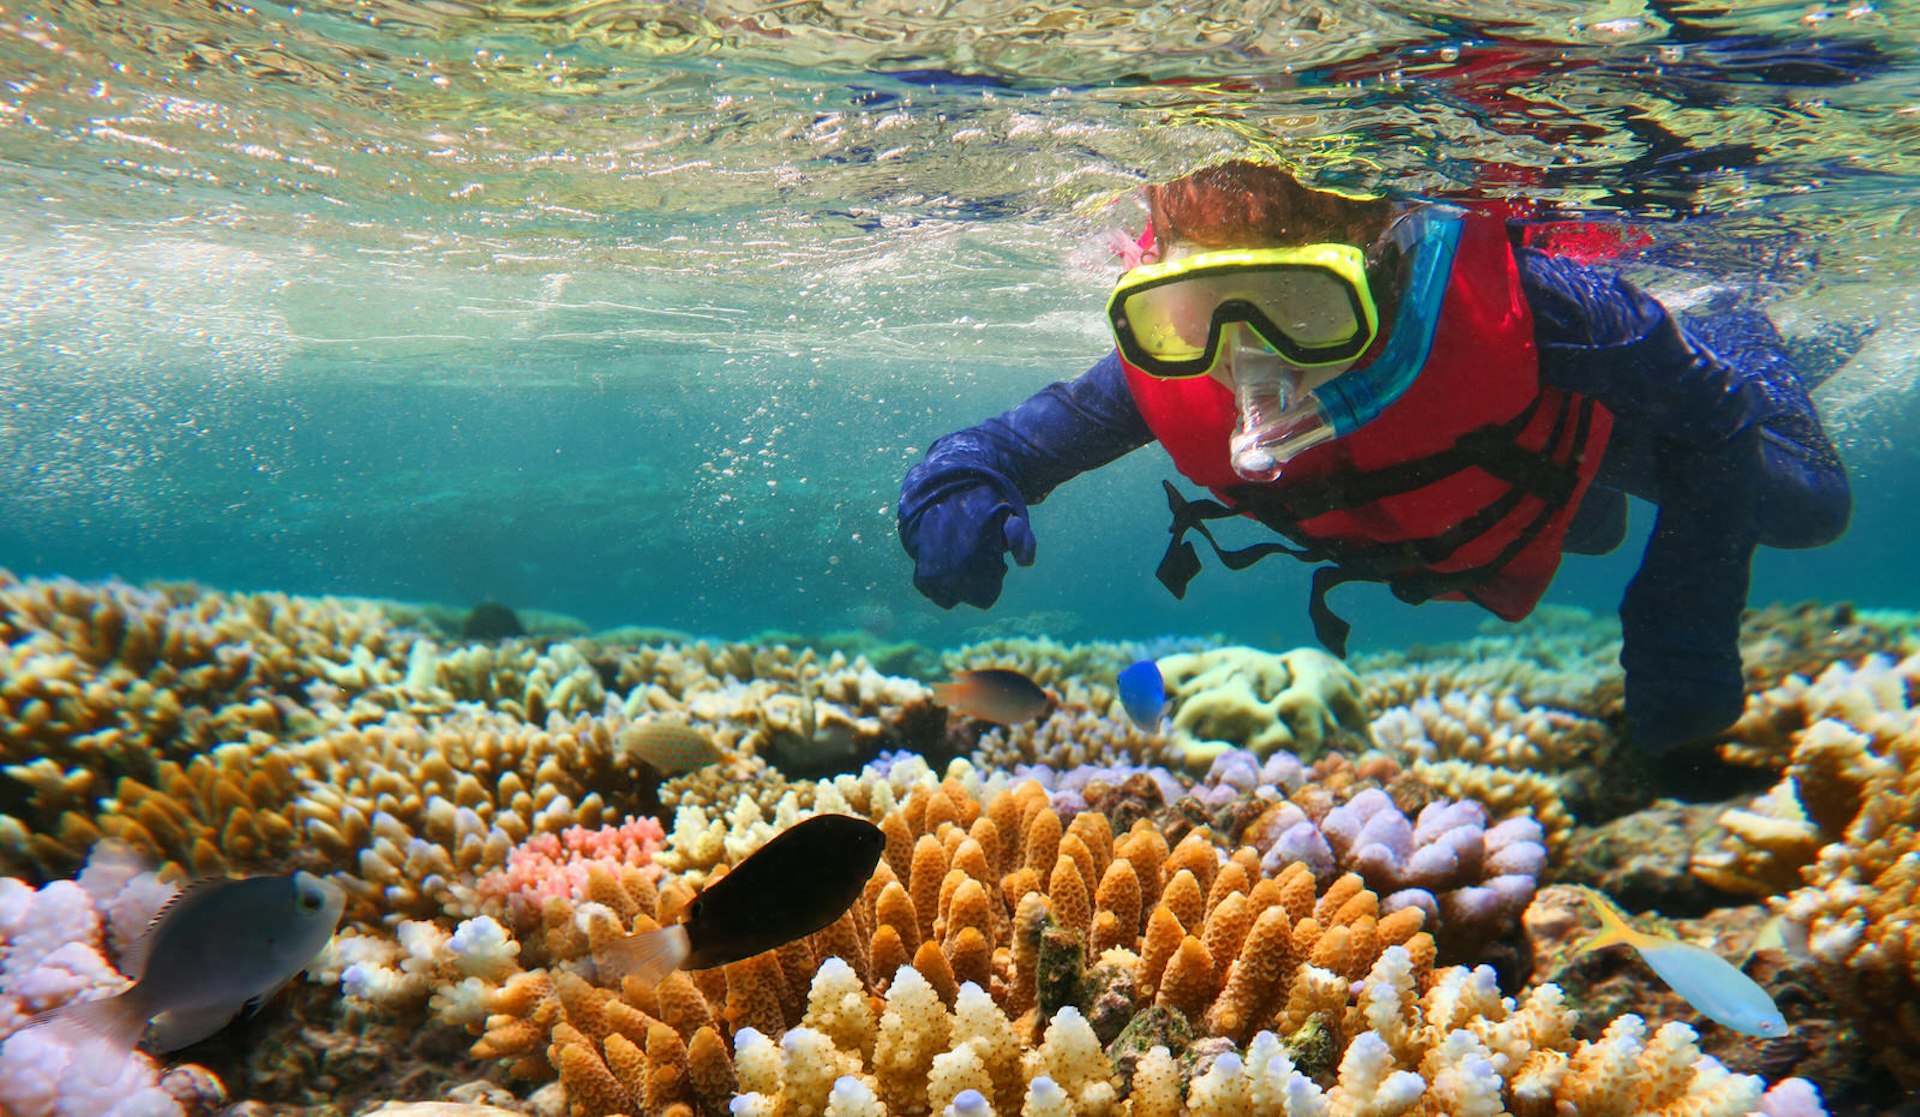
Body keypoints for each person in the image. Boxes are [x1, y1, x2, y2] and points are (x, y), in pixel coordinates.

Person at [896, 160, 1851, 755]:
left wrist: (1682, 625)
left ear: (1387, 265)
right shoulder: (1168, 372)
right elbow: (1002, 448)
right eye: (1196, 314)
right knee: (1591, 532)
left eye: (1303, 307)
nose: (1249, 357)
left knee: (1808, 506)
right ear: (1155, 295)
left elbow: (1714, 424)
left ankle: (1738, 321)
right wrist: (951, 486)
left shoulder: (1549, 309)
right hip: (1502, 482)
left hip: (1578, 413)